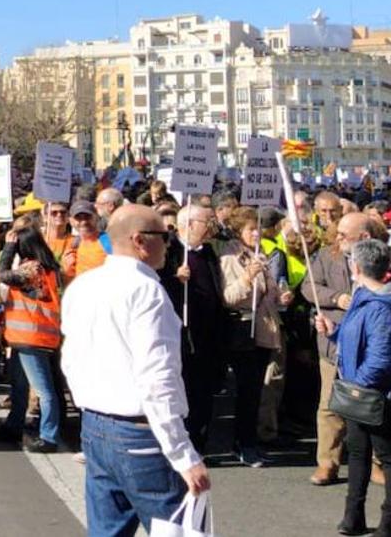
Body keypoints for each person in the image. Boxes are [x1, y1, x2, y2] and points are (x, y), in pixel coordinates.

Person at [62, 204, 209, 535]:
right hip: (139, 432)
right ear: (140, 240)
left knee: (107, 530)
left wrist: (89, 402)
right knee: (180, 529)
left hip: (97, 425)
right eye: (165, 237)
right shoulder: (148, 292)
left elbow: (70, 358)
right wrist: (184, 454)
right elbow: (158, 379)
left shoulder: (83, 285)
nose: (169, 245)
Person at [303, 212, 391, 486]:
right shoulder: (327, 256)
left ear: (365, 237)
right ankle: (328, 463)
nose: (338, 239)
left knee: (377, 407)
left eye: (344, 235)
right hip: (336, 344)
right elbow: (309, 288)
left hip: (379, 347)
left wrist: (381, 296)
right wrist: (337, 298)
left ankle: (377, 464)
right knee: (330, 406)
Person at [317, 239, 391, 537]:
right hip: (358, 393)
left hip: (377, 397)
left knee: (390, 457)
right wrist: (334, 333)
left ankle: (390, 521)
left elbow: (381, 359)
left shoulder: (382, 306)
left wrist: (355, 387)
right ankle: (353, 516)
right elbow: (353, 338)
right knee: (357, 455)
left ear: (356, 267)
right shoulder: (362, 296)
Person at [217, 205, 285, 468]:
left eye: (259, 229)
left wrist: (280, 296)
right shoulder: (230, 257)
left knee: (257, 390)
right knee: (247, 391)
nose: (257, 234)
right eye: (251, 229)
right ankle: (243, 443)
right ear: (239, 231)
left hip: (265, 330)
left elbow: (267, 293)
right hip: (244, 331)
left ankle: (249, 441)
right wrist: (247, 277)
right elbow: (228, 298)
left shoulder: (261, 252)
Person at [0, 225, 65, 453]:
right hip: (26, 336)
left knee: (43, 390)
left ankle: (49, 436)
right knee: (19, 385)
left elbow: (2, 274)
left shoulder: (34, 268)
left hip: (33, 336)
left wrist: (8, 247)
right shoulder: (44, 268)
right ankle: (14, 424)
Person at [163, 202, 227, 455]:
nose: (212, 226)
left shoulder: (209, 252)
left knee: (204, 391)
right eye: (206, 222)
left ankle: (200, 443)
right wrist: (174, 278)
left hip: (208, 333)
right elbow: (157, 283)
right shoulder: (170, 251)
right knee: (184, 390)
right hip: (182, 334)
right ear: (188, 225)